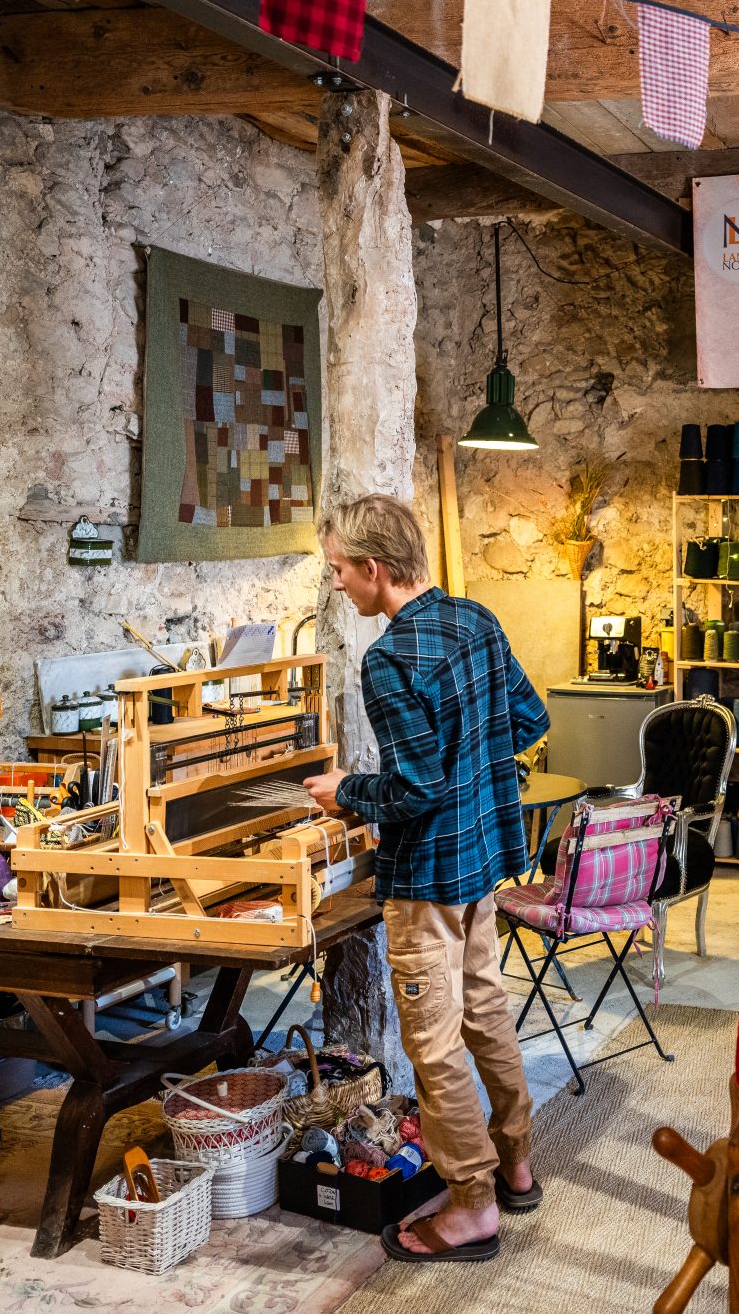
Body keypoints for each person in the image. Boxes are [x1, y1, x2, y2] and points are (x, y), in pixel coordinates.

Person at [302, 492, 549, 1264]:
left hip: (427, 880)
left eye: (341, 571)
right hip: (481, 866)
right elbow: (531, 720)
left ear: (375, 569)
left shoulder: (391, 658)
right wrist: (475, 760)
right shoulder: (477, 619)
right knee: (487, 1012)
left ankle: (472, 1207)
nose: (338, 585)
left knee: (436, 1045)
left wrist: (345, 789)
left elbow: (413, 789)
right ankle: (514, 1163)